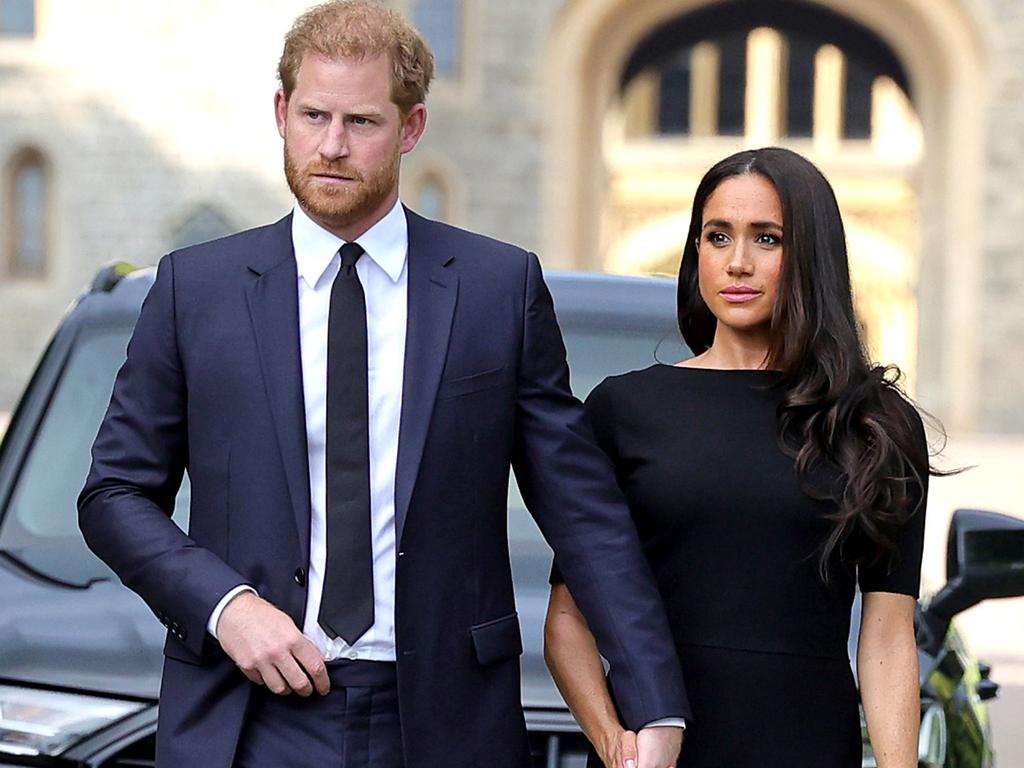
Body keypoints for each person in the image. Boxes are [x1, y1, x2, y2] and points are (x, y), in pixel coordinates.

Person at [77, 2, 689, 767]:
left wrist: (655, 699)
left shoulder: (498, 288)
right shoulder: (193, 290)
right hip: (244, 717)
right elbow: (114, 495)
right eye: (313, 116)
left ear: (411, 128)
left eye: (362, 122)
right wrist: (226, 607)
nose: (331, 146)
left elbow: (582, 511)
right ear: (281, 113)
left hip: (442, 722)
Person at [544, 147, 930, 768]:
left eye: (767, 239)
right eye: (718, 236)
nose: (738, 263)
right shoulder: (624, 409)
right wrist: (618, 747)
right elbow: (568, 620)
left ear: (810, 256)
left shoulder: (877, 426)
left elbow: (887, 637)